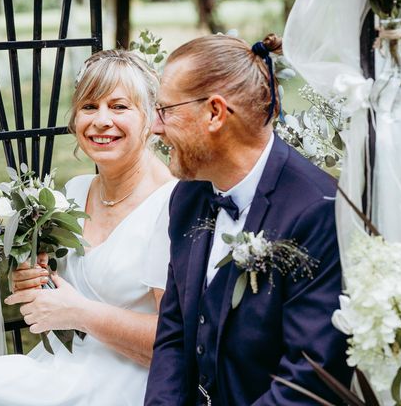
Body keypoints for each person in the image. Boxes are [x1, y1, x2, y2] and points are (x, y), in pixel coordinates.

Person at [0, 49, 176, 406]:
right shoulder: (76, 191)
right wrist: (32, 282)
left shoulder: (173, 204)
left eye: (119, 107)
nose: (101, 120)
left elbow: (176, 344)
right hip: (62, 365)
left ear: (150, 119)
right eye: (89, 106)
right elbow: (56, 298)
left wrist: (77, 311)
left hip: (127, 382)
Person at [145, 34, 353, 405]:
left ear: (214, 112)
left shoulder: (316, 210)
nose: (156, 127)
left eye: (165, 110)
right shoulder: (189, 195)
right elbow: (175, 334)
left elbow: (310, 376)